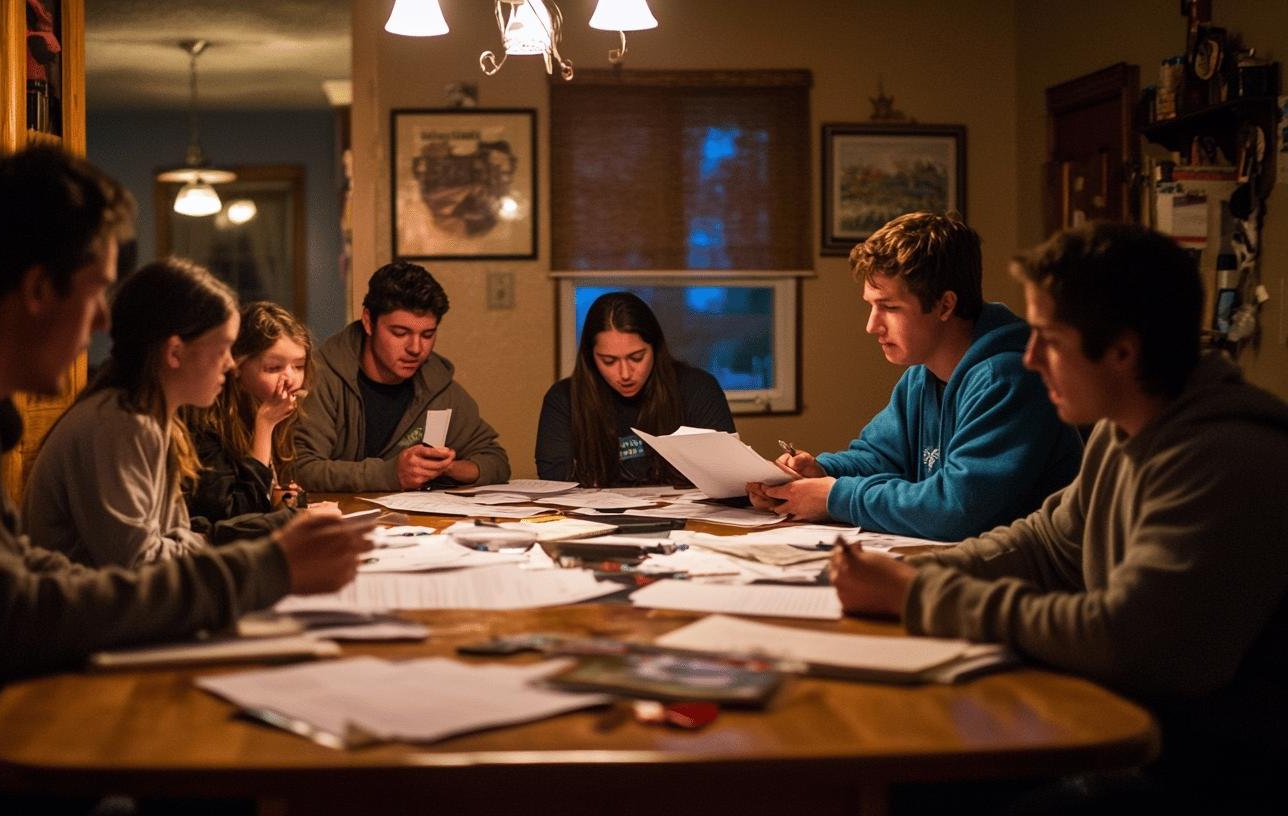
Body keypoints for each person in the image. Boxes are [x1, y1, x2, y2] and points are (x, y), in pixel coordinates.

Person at [0, 146, 368, 799]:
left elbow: (25, 569)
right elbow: (7, 620)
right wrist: (265, 569)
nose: (107, 320)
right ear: (37, 290)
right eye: (97, 288)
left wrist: (261, 551)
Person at [829, 223, 1288, 808]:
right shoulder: (1121, 434)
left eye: (1049, 337)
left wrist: (920, 597)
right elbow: (1045, 544)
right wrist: (911, 576)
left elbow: (1123, 638)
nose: (1029, 357)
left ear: (1121, 351)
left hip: (1204, 771)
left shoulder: (1223, 457)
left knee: (917, 790)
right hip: (1133, 726)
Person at [748, 213, 1082, 541]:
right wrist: (821, 472)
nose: (872, 325)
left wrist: (835, 497)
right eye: (871, 305)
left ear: (944, 305)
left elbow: (955, 508)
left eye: (889, 308)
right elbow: (880, 458)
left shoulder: (1007, 379)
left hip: (1025, 582)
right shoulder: (921, 377)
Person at [23, 258, 295, 568]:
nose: (231, 365)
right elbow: (142, 563)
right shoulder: (120, 423)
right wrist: (270, 538)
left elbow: (172, 537)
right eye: (222, 349)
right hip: (84, 611)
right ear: (175, 352)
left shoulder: (151, 416)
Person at [293, 261, 510, 491]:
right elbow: (301, 469)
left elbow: (496, 462)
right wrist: (389, 474)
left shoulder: (437, 386)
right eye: (400, 333)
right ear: (368, 321)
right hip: (334, 520)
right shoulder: (321, 376)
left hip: (408, 524)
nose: (416, 348)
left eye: (427, 334)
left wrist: (445, 468)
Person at [535, 291, 735, 486]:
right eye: (609, 361)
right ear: (590, 357)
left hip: (688, 517)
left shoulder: (697, 389)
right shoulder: (564, 398)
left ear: (655, 348)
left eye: (636, 358)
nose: (625, 373)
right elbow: (554, 480)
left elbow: (725, 473)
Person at [185, 301, 314, 523]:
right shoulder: (206, 421)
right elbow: (237, 516)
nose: (291, 379)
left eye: (299, 366)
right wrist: (265, 425)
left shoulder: (279, 408)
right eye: (274, 368)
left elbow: (262, 507)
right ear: (237, 367)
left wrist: (283, 503)